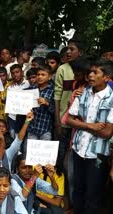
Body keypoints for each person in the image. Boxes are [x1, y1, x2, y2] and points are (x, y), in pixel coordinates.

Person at [66, 59, 113, 214]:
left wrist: (81, 123)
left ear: (106, 77)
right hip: (79, 150)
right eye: (90, 72)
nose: (90, 75)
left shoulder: (111, 99)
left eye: (95, 72)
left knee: (93, 195)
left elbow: (107, 132)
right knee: (78, 190)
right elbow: (69, 119)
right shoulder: (83, 92)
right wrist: (90, 125)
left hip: (97, 156)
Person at [0, 112, 34, 189]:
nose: (0, 150)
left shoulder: (7, 154)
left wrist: (27, 121)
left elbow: (18, 139)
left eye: (2, 147)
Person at [54, 39, 83, 168]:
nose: (69, 52)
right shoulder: (62, 69)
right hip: (64, 120)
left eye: (72, 49)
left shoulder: (86, 71)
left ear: (80, 52)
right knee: (61, 154)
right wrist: (57, 120)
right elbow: (57, 95)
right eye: (67, 49)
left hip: (81, 122)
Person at [27, 64, 54, 140]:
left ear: (49, 77)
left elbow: (55, 110)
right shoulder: (32, 88)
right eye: (38, 74)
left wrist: (47, 103)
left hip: (45, 129)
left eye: (43, 75)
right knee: (30, 151)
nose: (40, 77)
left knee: (44, 151)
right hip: (32, 127)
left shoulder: (53, 90)